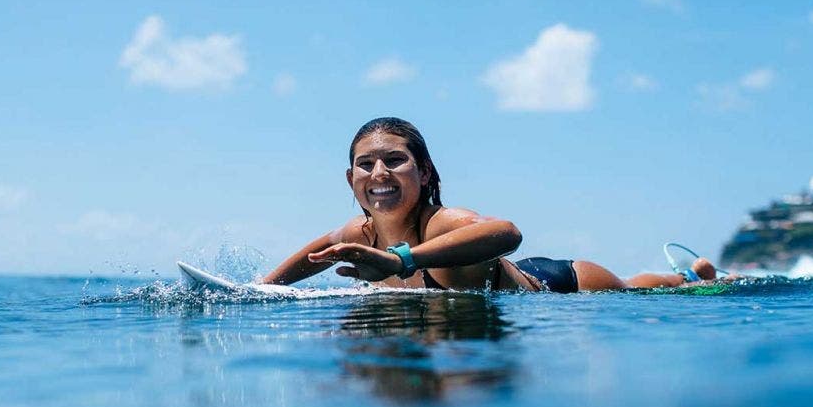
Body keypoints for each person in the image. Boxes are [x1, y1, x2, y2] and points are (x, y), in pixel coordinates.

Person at [263, 117, 720, 292]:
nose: (378, 173)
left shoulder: (445, 223)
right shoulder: (356, 234)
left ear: (423, 173)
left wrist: (398, 260)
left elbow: (507, 233)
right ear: (351, 179)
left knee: (636, 286)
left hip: (561, 285)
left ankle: (688, 276)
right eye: (365, 165)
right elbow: (317, 253)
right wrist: (261, 290)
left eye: (394, 161)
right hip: (501, 282)